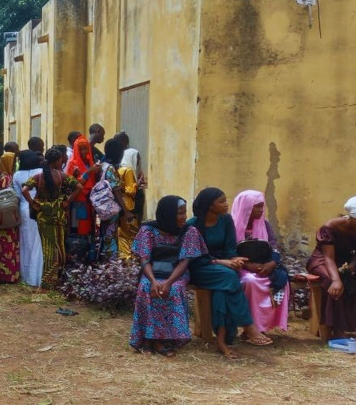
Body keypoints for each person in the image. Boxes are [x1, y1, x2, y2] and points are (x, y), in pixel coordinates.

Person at [188, 188, 273, 358]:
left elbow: (229, 249)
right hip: (199, 268)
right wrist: (222, 262)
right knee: (228, 276)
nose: (226, 204)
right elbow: (193, 257)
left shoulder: (226, 220)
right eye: (221, 201)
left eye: (225, 199)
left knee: (224, 287)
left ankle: (221, 341)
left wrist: (235, 259)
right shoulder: (193, 225)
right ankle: (248, 325)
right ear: (209, 206)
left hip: (221, 270)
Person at [130, 197, 205, 356]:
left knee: (174, 290)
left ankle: (164, 340)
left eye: (185, 212)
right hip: (152, 273)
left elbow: (185, 261)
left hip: (176, 274)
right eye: (180, 213)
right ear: (168, 214)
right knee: (146, 287)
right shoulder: (148, 231)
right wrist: (152, 281)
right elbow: (144, 258)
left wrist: (170, 282)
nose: (184, 216)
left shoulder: (189, 231)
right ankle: (149, 339)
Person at [305, 196, 356, 339]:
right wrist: (336, 280)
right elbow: (328, 257)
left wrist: (354, 265)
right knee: (333, 282)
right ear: (350, 217)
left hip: (347, 261)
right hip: (323, 260)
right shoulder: (330, 227)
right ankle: (337, 328)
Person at [229, 190, 290, 334]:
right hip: (240, 267)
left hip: (264, 266)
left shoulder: (265, 225)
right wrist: (246, 264)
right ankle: (250, 327)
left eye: (262, 206)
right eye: (257, 206)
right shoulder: (231, 226)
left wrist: (272, 263)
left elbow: (274, 246)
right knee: (250, 281)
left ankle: (264, 326)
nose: (261, 209)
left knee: (282, 281)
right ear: (246, 206)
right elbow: (229, 251)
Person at [27, 146, 75, 283]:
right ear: (56, 161)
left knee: (47, 247)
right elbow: (79, 186)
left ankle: (48, 279)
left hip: (43, 214)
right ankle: (60, 276)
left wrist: (32, 202)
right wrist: (68, 201)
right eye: (60, 160)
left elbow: (25, 188)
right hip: (58, 213)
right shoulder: (61, 175)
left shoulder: (39, 176)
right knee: (60, 244)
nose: (61, 162)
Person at [67, 124, 104, 252]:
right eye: (81, 149)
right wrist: (89, 172)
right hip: (79, 200)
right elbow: (73, 183)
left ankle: (90, 254)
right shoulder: (73, 164)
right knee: (79, 226)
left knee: (90, 227)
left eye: (86, 149)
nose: (84, 152)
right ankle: (77, 254)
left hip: (90, 200)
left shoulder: (90, 162)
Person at [11, 150, 44, 288]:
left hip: (24, 209)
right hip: (38, 207)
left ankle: (25, 275)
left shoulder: (17, 175)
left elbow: (18, 195)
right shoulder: (41, 171)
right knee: (38, 242)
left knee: (25, 242)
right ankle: (36, 276)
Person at [0, 151, 21, 284]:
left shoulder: (5, 176)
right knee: (7, 245)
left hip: (7, 216)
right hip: (7, 215)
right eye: (13, 162)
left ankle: (9, 274)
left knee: (9, 244)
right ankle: (6, 275)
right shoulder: (5, 178)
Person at [96, 139, 127, 261]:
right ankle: (110, 263)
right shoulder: (110, 169)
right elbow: (116, 191)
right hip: (111, 208)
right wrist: (126, 210)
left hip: (103, 207)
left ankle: (103, 259)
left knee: (105, 235)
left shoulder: (102, 166)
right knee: (111, 236)